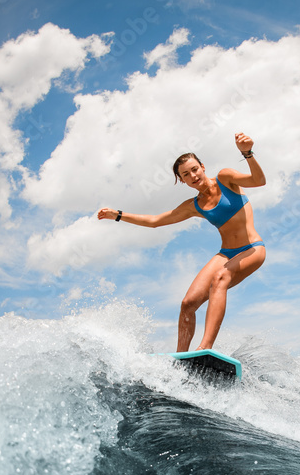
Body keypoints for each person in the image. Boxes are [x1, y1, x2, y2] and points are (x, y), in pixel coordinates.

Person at [97, 132, 266, 351]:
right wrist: (118, 215)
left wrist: (247, 153)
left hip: (252, 249)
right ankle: (181, 359)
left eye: (195, 169)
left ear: (203, 167)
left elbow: (259, 181)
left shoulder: (225, 178)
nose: (193, 175)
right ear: (182, 180)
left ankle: (204, 349)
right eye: (186, 174)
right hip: (226, 252)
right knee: (188, 304)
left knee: (220, 278)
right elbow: (155, 221)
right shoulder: (193, 205)